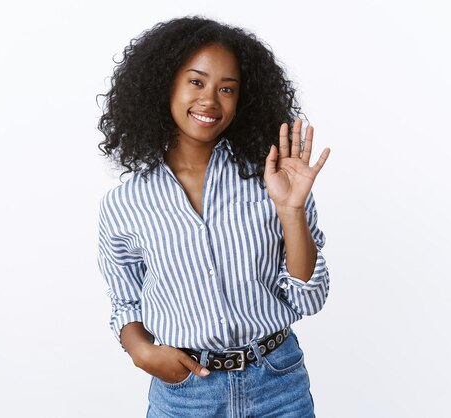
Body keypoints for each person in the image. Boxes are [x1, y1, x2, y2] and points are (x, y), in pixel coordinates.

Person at [96, 16, 331, 417]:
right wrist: (140, 350)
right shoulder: (125, 203)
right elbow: (126, 299)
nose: (210, 100)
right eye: (196, 82)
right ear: (165, 83)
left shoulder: (273, 181)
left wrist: (291, 211)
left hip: (278, 383)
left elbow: (308, 298)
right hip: (185, 393)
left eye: (227, 89)